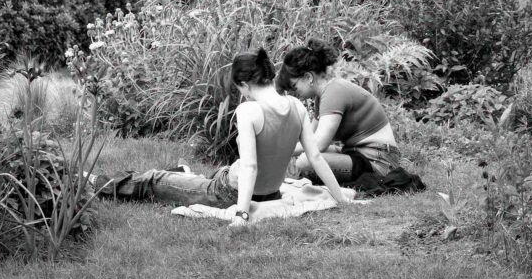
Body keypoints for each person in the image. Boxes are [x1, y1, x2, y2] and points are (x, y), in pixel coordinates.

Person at [89, 48, 348, 227]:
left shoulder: (249, 110)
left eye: (240, 89)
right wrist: (340, 198)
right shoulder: (296, 106)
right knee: (200, 178)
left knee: (154, 180)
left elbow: (250, 167)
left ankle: (94, 182)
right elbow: (315, 157)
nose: (242, 94)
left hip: (227, 192)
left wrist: (242, 214)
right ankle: (183, 174)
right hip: (269, 193)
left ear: (245, 84)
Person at [277, 38, 404, 184]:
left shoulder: (334, 92)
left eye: (294, 86)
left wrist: (279, 151)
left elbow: (319, 144)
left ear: (308, 77)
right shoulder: (322, 96)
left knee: (305, 161)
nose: (294, 92)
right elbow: (309, 138)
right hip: (356, 153)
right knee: (302, 157)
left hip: (379, 160)